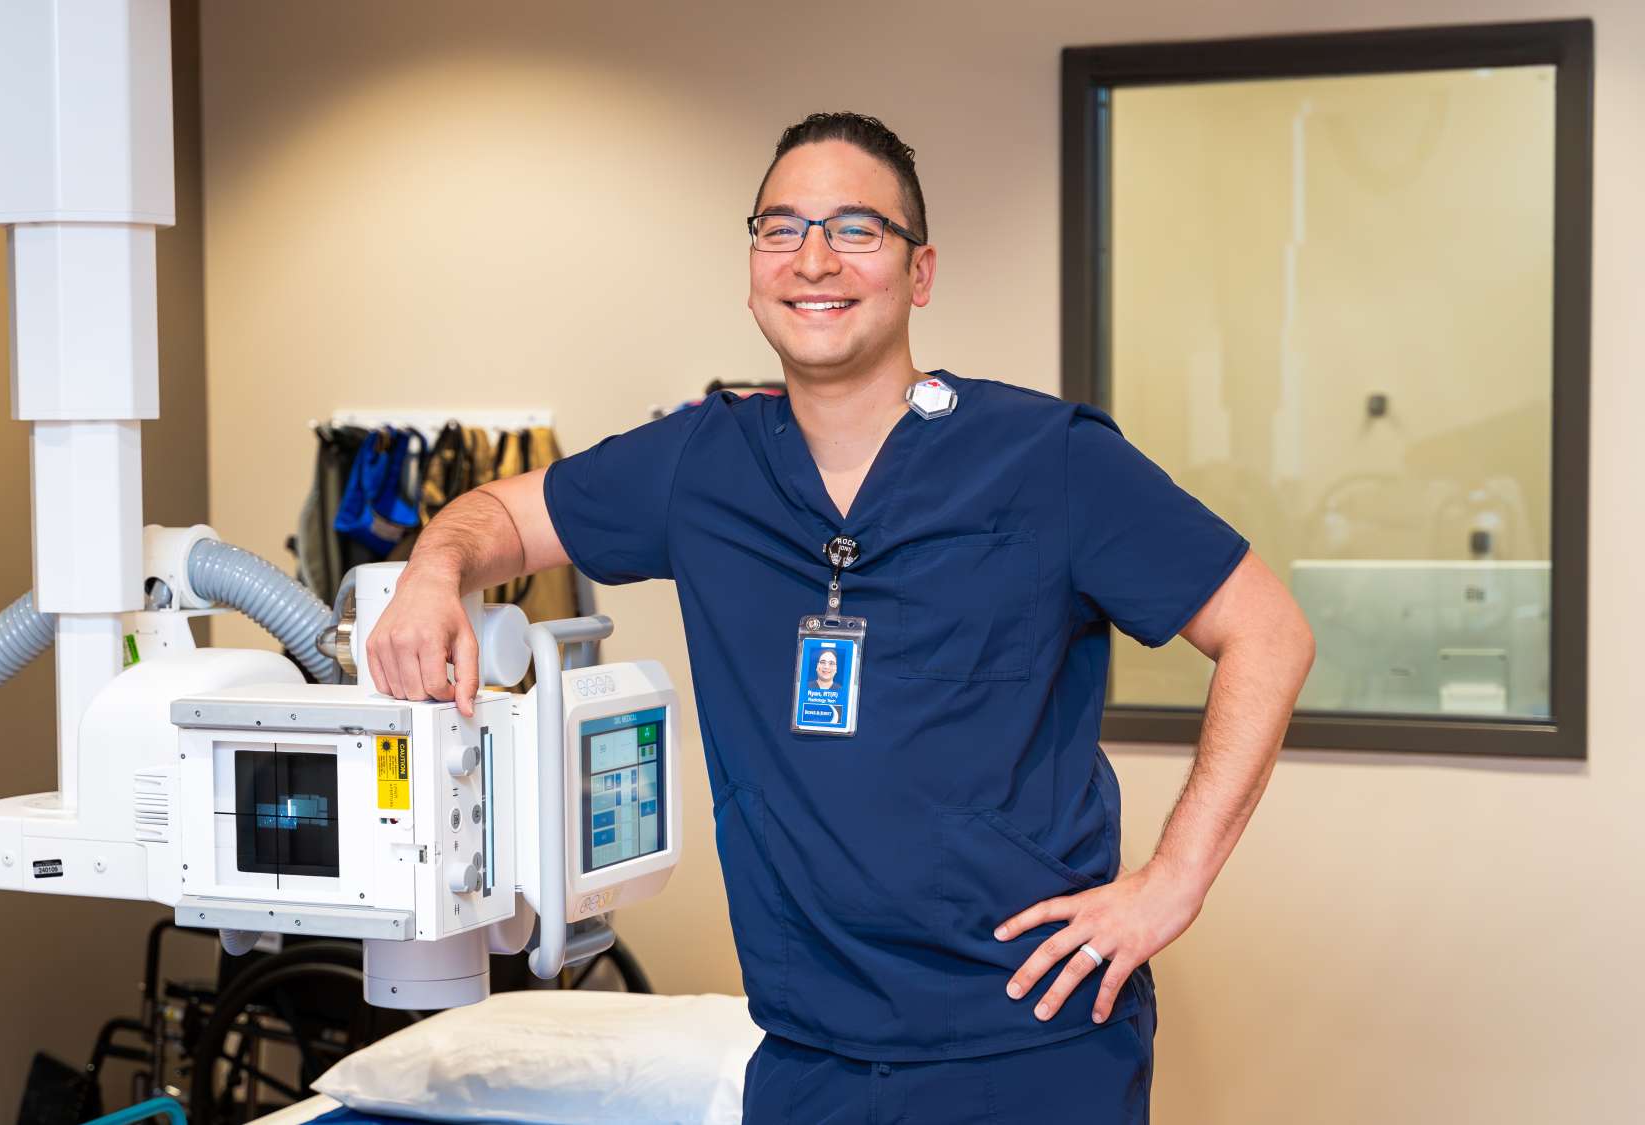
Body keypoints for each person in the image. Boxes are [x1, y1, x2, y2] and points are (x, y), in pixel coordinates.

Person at [366, 111, 1315, 1123]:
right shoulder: (698, 463)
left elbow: (1266, 630)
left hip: (1030, 1044)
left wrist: (1172, 881)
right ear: (752, 267)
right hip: (808, 1055)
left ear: (919, 272)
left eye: (856, 228)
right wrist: (431, 573)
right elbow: (498, 516)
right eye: (780, 228)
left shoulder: (1049, 460)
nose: (812, 258)